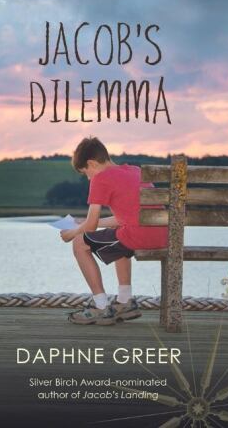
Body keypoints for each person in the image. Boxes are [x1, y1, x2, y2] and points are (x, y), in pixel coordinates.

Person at [60, 136, 168, 325]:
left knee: (80, 244)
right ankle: (125, 302)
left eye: (86, 172)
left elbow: (91, 226)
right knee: (119, 231)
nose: (88, 178)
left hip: (139, 236)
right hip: (163, 234)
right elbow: (125, 217)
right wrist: (82, 222)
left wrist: (70, 234)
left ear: (91, 163)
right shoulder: (135, 171)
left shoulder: (100, 179)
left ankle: (101, 306)